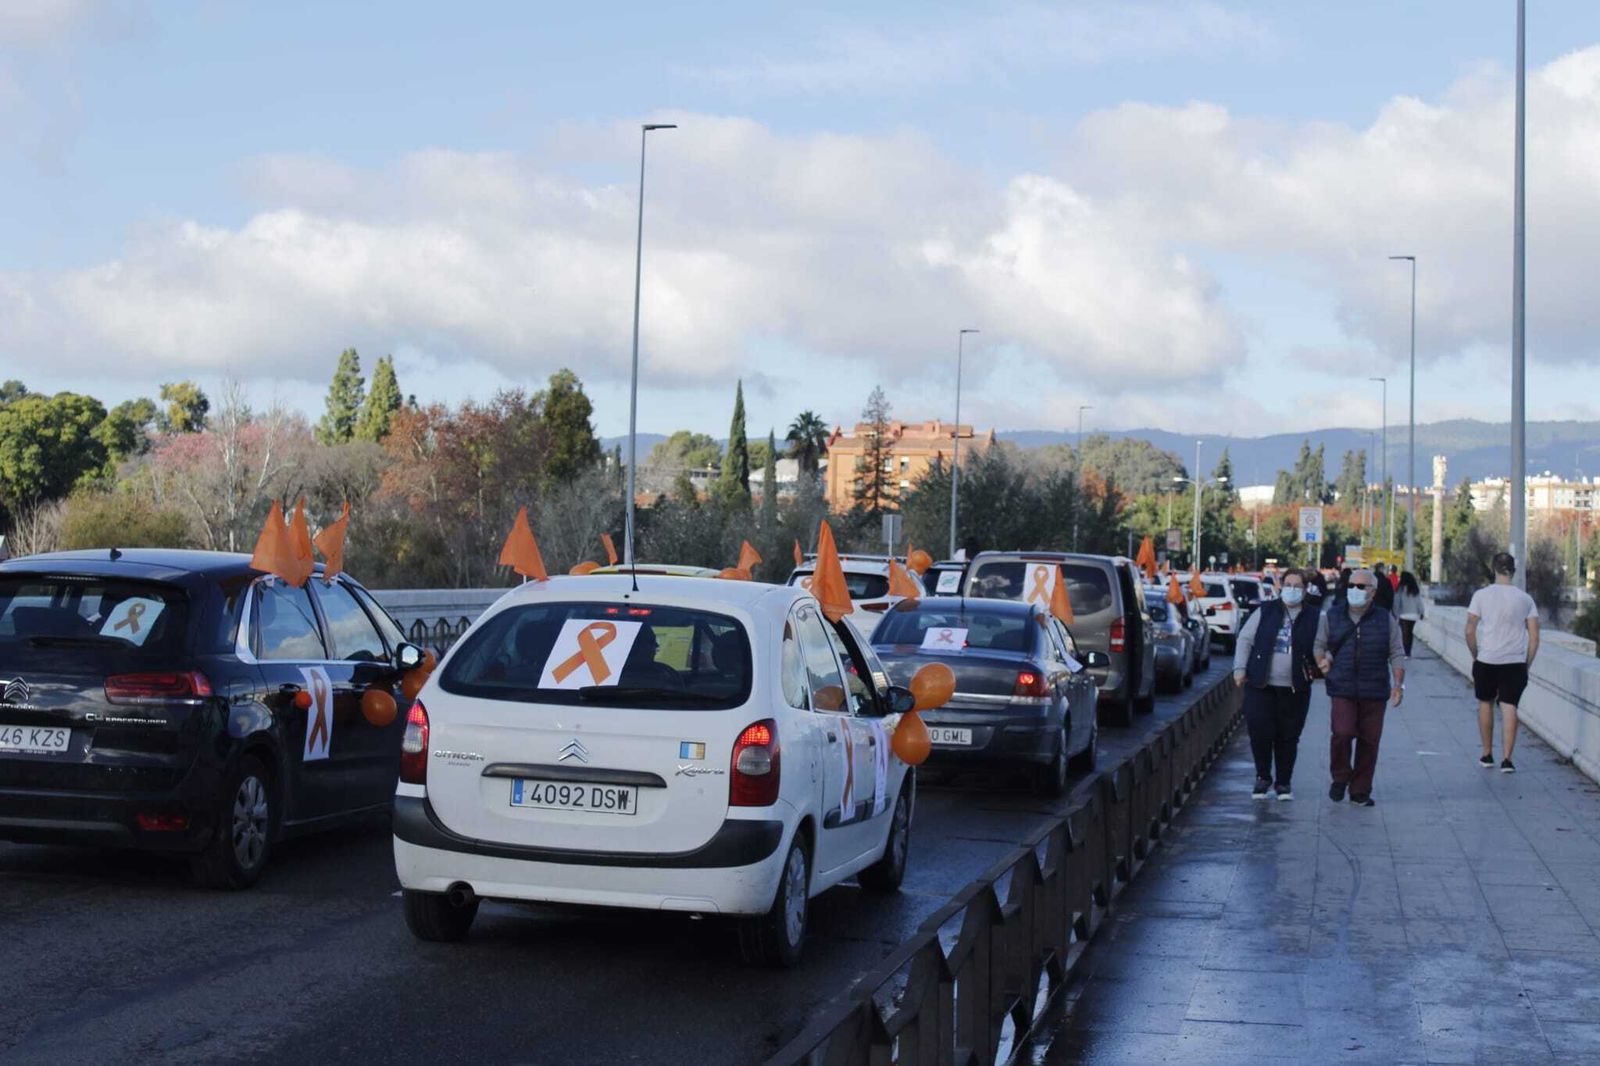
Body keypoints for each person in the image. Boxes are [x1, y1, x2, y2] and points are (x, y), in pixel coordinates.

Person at [1315, 567, 1405, 806]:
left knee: (1369, 741)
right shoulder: (1332, 615)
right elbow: (1319, 644)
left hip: (1374, 689)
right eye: (1352, 585)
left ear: (1373, 592)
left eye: (1361, 586)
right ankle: (1340, 777)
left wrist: (1398, 684)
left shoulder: (1385, 619)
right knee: (1342, 733)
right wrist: (1321, 660)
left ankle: (1360, 790)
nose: (1354, 590)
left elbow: (1396, 651)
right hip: (1342, 686)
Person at [1233, 568, 1320, 800]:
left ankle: (1283, 783)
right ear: (1281, 586)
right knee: (1260, 730)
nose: (1292, 590)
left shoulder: (1314, 616)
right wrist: (1240, 668)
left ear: (1305, 590)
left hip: (1295, 687)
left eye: (1298, 586)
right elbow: (1245, 639)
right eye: (1288, 584)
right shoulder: (1266, 611)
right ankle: (1263, 777)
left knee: (1288, 735)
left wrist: (1324, 661)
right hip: (1261, 684)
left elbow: (1323, 646)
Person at [1466, 552, 1540, 773]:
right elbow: (1535, 638)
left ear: (1494, 569)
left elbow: (1469, 630)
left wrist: (1475, 654)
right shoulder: (1525, 599)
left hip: (1487, 658)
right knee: (1509, 706)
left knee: (1485, 702)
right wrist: (1526, 664)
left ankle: (1487, 754)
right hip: (1514, 661)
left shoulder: (1481, 596)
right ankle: (1507, 760)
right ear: (1513, 571)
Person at [1394, 571, 1425, 657]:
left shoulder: (1400, 589)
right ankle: (1408, 652)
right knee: (1410, 633)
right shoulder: (1414, 588)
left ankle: (1406, 652)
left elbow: (1397, 602)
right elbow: (1419, 602)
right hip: (1413, 615)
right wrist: (1421, 612)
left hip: (1403, 614)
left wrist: (1395, 613)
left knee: (1404, 634)